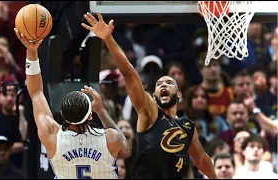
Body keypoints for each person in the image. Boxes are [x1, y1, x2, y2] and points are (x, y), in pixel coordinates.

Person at [81, 12, 217, 179]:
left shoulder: (187, 126)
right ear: (153, 96)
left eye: (169, 83)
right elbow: (130, 74)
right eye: (159, 84)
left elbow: (201, 159)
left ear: (179, 93)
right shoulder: (149, 112)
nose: (164, 85)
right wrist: (109, 40)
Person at [13, 28, 129, 179]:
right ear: (89, 116)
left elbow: (35, 92)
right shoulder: (110, 138)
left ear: (63, 116)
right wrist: (102, 112)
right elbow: (125, 150)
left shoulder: (52, 136)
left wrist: (31, 52)